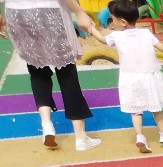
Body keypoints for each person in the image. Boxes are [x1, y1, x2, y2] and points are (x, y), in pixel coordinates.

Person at [0, 0, 101, 151]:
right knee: (67, 73)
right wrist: (79, 12)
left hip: (16, 13)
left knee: (37, 71)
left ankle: (47, 125)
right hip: (49, 10)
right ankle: (80, 137)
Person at [88, 0, 163, 152]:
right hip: (150, 75)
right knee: (157, 109)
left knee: (136, 110)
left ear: (123, 22)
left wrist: (90, 28)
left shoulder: (116, 36)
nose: (111, 21)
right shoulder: (146, 33)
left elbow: (101, 39)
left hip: (130, 77)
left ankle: (140, 137)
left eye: (112, 18)